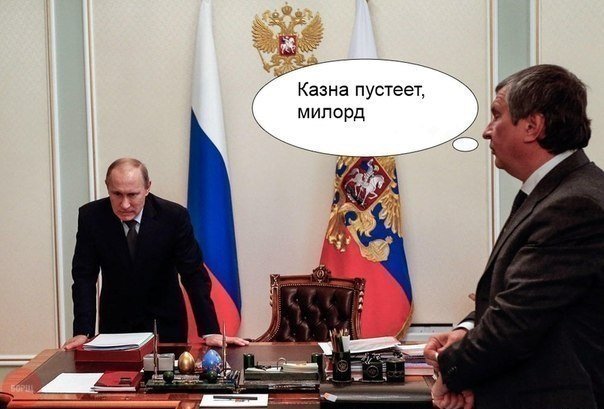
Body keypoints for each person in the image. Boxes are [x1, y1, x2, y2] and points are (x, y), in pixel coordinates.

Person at [425, 65, 604, 409]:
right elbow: (521, 295)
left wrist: (450, 374)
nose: (486, 131)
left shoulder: (575, 205)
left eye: (496, 115)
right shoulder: (555, 193)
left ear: (532, 126)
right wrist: (466, 330)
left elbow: (516, 322)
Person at [63, 158, 248, 349]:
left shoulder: (173, 216)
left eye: (132, 194)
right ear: (107, 187)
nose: (124, 204)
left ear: (147, 188)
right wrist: (83, 331)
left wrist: (210, 330)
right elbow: (84, 277)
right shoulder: (91, 217)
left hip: (165, 325)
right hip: (115, 326)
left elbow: (193, 275)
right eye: (117, 194)